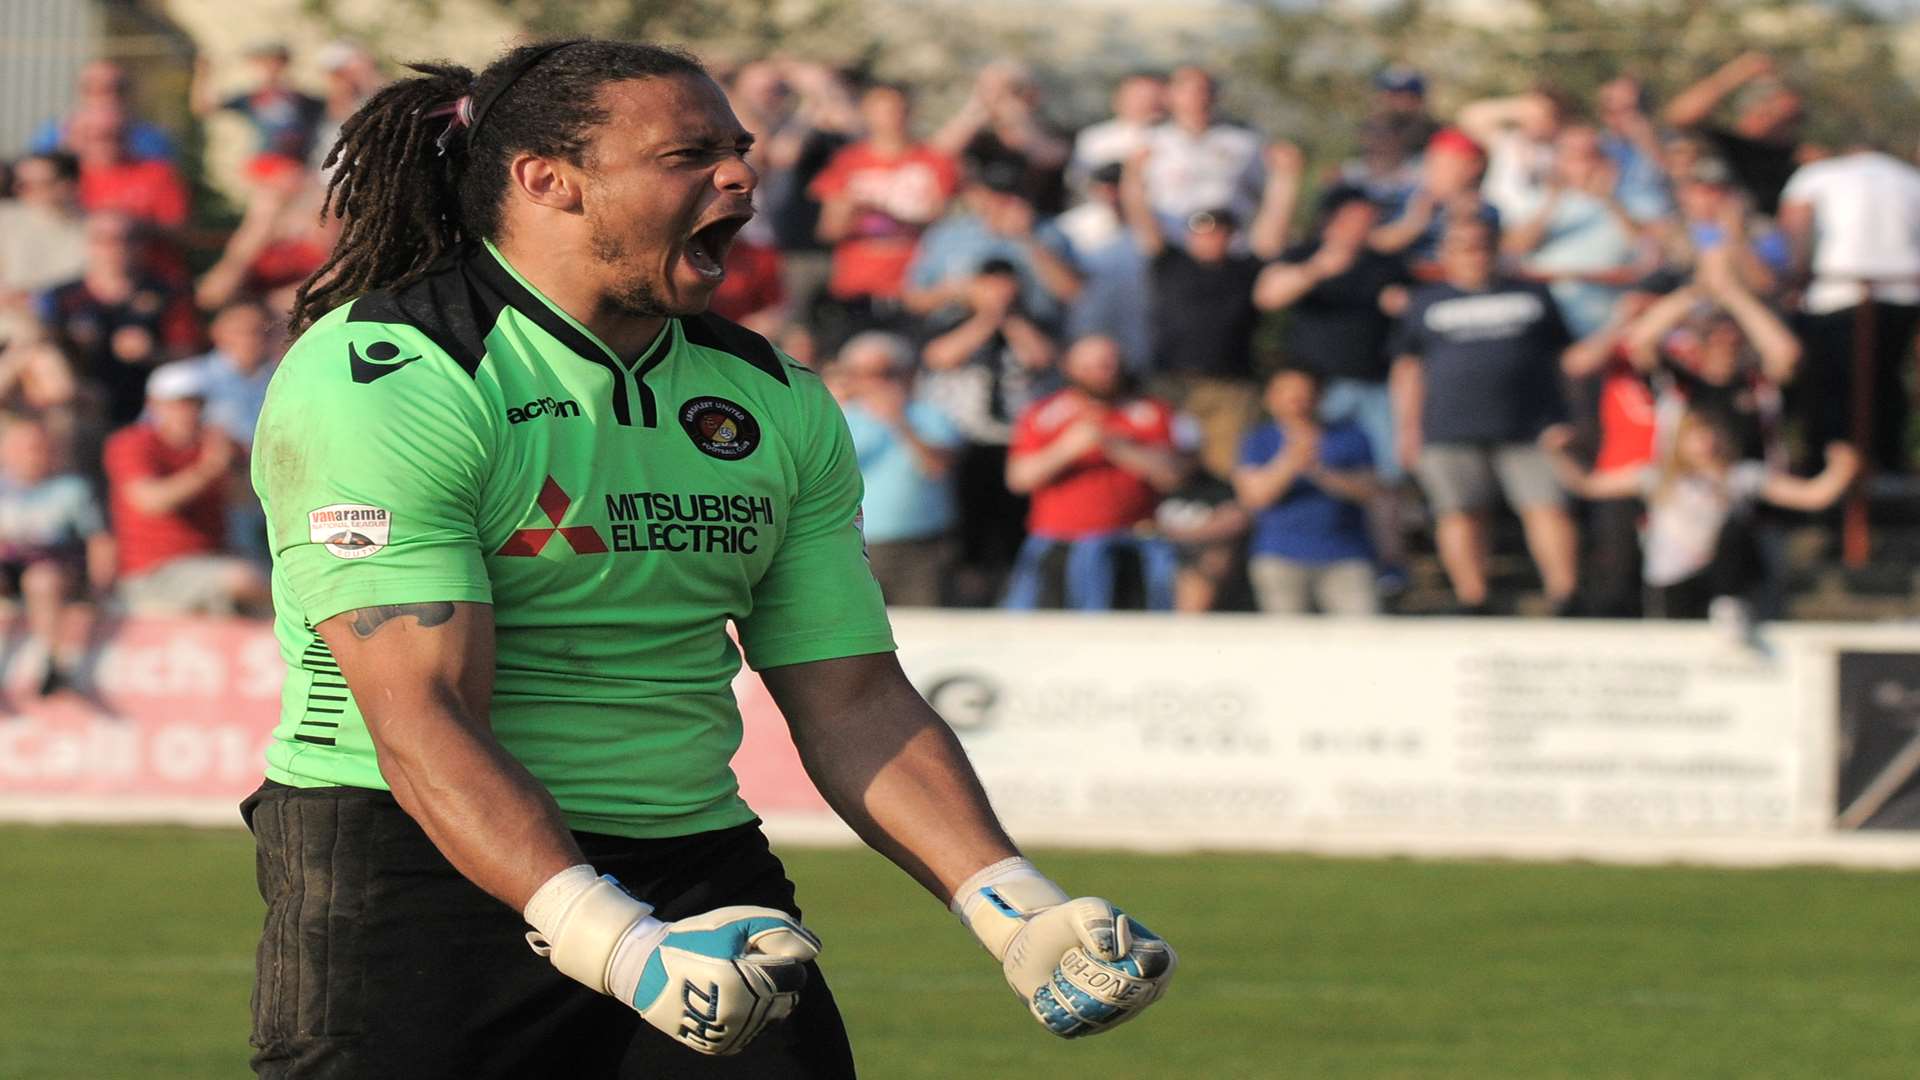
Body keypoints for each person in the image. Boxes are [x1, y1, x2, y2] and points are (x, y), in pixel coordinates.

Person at [249, 40, 1174, 1078]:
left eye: (738, 148)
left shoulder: (775, 398)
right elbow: (422, 716)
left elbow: (853, 695)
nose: (741, 176)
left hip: (695, 863)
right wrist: (618, 945)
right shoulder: (388, 374)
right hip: (410, 865)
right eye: (689, 154)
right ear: (546, 180)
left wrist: (1009, 903)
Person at [1390, 218, 1579, 615]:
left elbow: (1564, 361)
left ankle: (1566, 594)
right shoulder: (1426, 301)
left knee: (1547, 506)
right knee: (1458, 512)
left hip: (1531, 426)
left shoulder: (1534, 294)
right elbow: (1408, 369)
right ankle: (1472, 597)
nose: (1475, 255)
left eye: (1482, 245)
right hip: (1449, 428)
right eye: (1463, 246)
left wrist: (1571, 417)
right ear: (1446, 254)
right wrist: (1407, 429)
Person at [1543, 414, 1858, 623]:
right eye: (1696, 435)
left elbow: (1812, 495)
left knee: (1737, 531)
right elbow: (1589, 484)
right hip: (1673, 579)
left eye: (1711, 434)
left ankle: (1729, 602)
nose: (1706, 443)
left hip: (1719, 573)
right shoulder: (1658, 478)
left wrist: (1842, 469)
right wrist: (1560, 454)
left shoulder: (1741, 476)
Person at [1255, 185, 1412, 573]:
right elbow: (1268, 297)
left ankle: (1390, 563)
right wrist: (1318, 268)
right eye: (1355, 218)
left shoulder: (1386, 264)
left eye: (1369, 219)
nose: (1364, 226)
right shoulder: (1304, 257)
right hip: (1316, 391)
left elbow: (1411, 325)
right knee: (1302, 465)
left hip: (1375, 387)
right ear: (1331, 219)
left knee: (1384, 479)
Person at [1121, 142, 1295, 478]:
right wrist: (1134, 175)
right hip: (1170, 382)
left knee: (1226, 470)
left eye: (1218, 231)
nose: (1209, 238)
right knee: (1160, 468)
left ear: (1230, 235)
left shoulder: (1245, 269)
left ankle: (1220, 529)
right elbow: (1141, 217)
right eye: (1201, 231)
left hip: (1229, 386)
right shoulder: (1169, 262)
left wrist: (1285, 177)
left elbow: (1274, 226)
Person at [1004, 334, 1187, 610]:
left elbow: (1171, 475)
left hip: (1129, 545)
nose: (1100, 375)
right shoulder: (1043, 415)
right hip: (1060, 546)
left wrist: (1115, 445)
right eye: (1090, 367)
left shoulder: (1149, 412)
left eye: (1107, 366)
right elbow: (1019, 479)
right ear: (1070, 368)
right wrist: (1067, 448)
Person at [1778, 141, 1920, 472]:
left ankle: (1828, 464)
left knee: (1830, 385)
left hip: (1834, 295)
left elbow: (1795, 233)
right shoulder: (1910, 177)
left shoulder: (1817, 175)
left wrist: (1795, 281)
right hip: (1901, 296)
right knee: (1885, 378)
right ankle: (1885, 459)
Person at [102, 363, 267, 616]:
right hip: (154, 572)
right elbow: (150, 502)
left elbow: (247, 502)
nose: (186, 412)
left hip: (213, 561)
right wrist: (208, 470)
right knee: (245, 580)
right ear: (153, 405)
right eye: (176, 403)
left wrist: (233, 469)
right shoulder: (132, 443)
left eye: (194, 403)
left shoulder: (220, 444)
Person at [825, 332, 961, 606]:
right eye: (862, 374)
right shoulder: (835, 418)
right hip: (853, 545)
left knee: (929, 630)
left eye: (885, 373)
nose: (875, 382)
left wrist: (899, 423)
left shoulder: (929, 415)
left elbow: (937, 466)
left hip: (922, 547)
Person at [1233, 366, 1379, 616]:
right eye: (1289, 395)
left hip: (1346, 555)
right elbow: (1254, 497)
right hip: (1280, 557)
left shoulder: (1350, 436)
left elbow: (1372, 491)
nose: (1297, 403)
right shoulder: (1258, 441)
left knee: (1363, 640)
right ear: (1271, 398)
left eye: (1304, 394)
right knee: (1288, 646)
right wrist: (1290, 462)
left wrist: (1322, 473)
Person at [809, 82, 960, 318]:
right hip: (857, 285)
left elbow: (940, 225)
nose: (890, 119)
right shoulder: (848, 161)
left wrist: (882, 213)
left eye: (896, 110)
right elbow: (828, 231)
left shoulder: (935, 161)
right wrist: (849, 213)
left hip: (916, 286)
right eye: (881, 111)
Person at [38, 213, 200, 426]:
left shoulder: (167, 294)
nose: (114, 248)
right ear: (88, 244)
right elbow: (42, 350)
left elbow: (192, 353)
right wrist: (73, 348)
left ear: (141, 245)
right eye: (103, 240)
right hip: (84, 407)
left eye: (126, 239)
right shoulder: (62, 298)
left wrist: (154, 353)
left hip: (153, 411)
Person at [1501, 124, 1656, 338]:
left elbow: (1648, 254)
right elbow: (1514, 249)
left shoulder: (1632, 204)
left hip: (1605, 324)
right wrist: (1552, 201)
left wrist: (1610, 201)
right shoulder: (1535, 202)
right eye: (1572, 157)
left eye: (1591, 156)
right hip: (1546, 320)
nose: (1584, 166)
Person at [0, 415, 113, 695]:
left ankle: (51, 662)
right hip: (7, 565)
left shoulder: (71, 489)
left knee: (42, 580)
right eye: (25, 447)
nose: (33, 455)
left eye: (39, 447)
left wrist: (100, 589)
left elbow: (99, 540)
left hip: (55, 568)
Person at [1662, 51, 1804, 216]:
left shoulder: (1795, 157)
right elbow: (1679, 116)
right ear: (1756, 111)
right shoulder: (1721, 144)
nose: (1791, 126)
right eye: (1785, 117)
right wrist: (1737, 73)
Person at [1141, 66, 1264, 229]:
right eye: (1186, 90)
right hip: (1171, 241)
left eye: (1203, 90)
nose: (1196, 98)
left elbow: (1262, 192)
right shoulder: (1148, 142)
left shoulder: (1244, 142)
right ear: (1168, 95)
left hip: (1230, 241)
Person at [192, 42, 327, 183]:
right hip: (268, 163)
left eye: (275, 63)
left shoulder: (300, 98)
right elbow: (203, 108)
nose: (270, 69)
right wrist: (202, 75)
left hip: (299, 165)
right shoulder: (251, 98)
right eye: (265, 64)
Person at [0, 152, 90, 344]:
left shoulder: (94, 229)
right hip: (13, 323)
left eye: (34, 184)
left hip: (67, 325)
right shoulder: (5, 220)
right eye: (19, 182)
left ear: (67, 185)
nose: (19, 189)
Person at [29, 59, 179, 162]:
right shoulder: (52, 136)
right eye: (91, 87)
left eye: (115, 88)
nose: (103, 96)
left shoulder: (151, 139)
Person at [1068, 71, 1165, 190]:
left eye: (1153, 96)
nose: (1146, 102)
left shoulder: (1171, 137)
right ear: (1119, 98)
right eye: (1138, 96)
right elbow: (1078, 179)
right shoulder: (1095, 137)